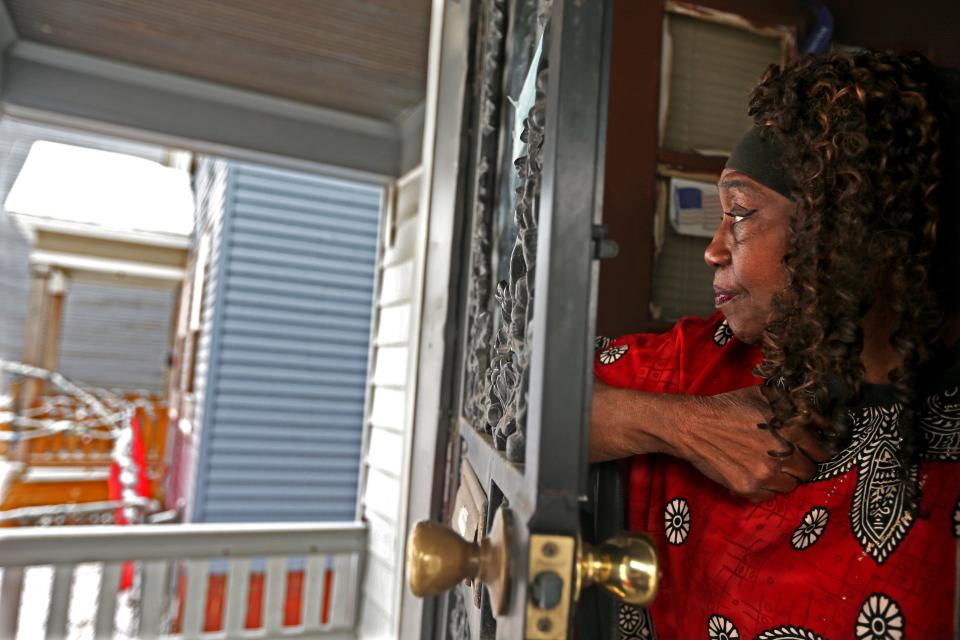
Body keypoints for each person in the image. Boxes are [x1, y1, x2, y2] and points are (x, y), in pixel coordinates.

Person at [591, 50, 960, 639]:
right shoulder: (709, 361)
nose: (714, 248)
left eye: (740, 213)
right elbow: (513, 399)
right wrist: (684, 425)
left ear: (848, 229)